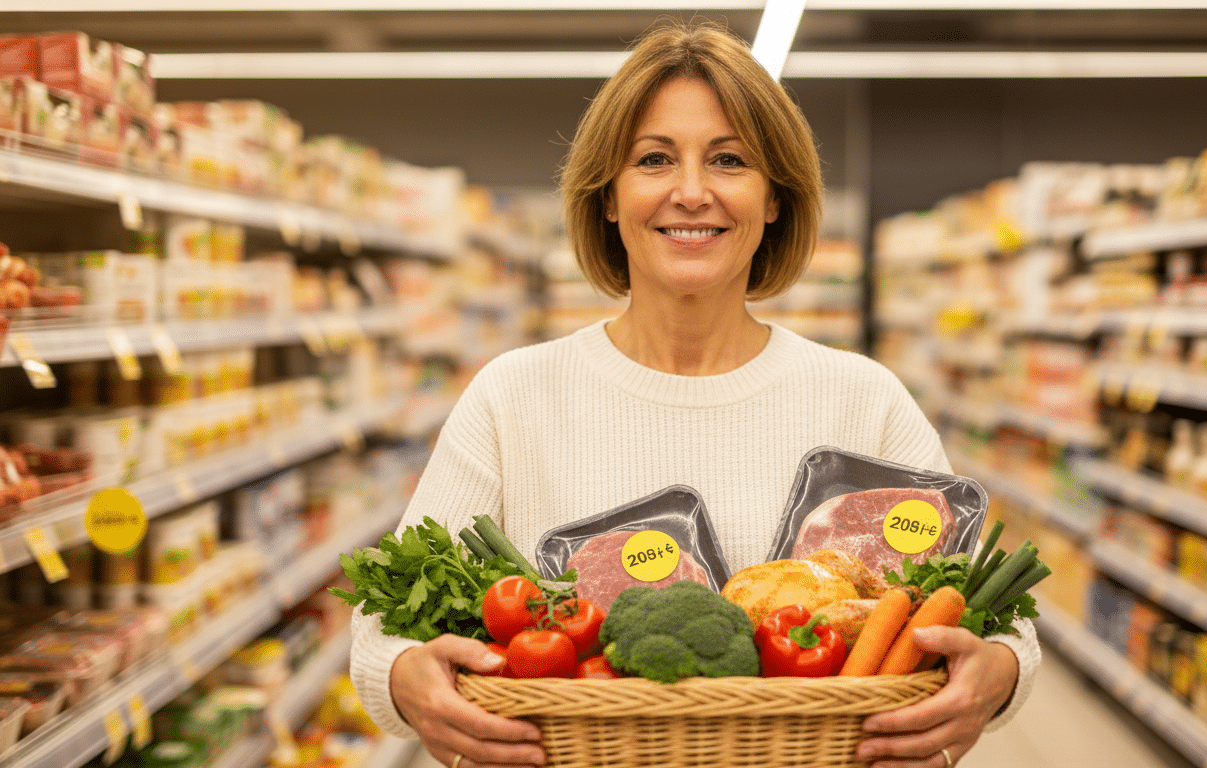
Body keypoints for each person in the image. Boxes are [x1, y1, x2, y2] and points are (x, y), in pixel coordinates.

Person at [350, 20, 1039, 768]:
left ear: (773, 198)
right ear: (608, 197)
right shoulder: (512, 396)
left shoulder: (864, 398)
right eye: (653, 159)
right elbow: (381, 626)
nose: (690, 192)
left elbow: (995, 614)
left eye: (729, 160)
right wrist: (404, 678)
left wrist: (1000, 673)